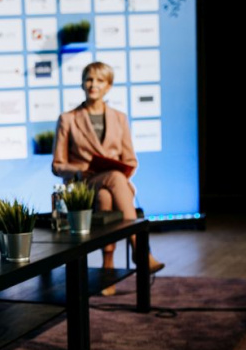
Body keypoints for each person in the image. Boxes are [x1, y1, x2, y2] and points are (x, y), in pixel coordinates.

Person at [52, 61, 165, 295]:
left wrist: (117, 171)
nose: (93, 85)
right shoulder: (68, 119)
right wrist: (80, 170)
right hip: (83, 184)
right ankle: (140, 251)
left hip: (113, 187)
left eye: (100, 80)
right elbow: (57, 165)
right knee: (110, 181)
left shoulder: (119, 118)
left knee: (107, 192)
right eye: (89, 79)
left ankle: (108, 268)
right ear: (82, 83)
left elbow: (131, 161)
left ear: (109, 86)